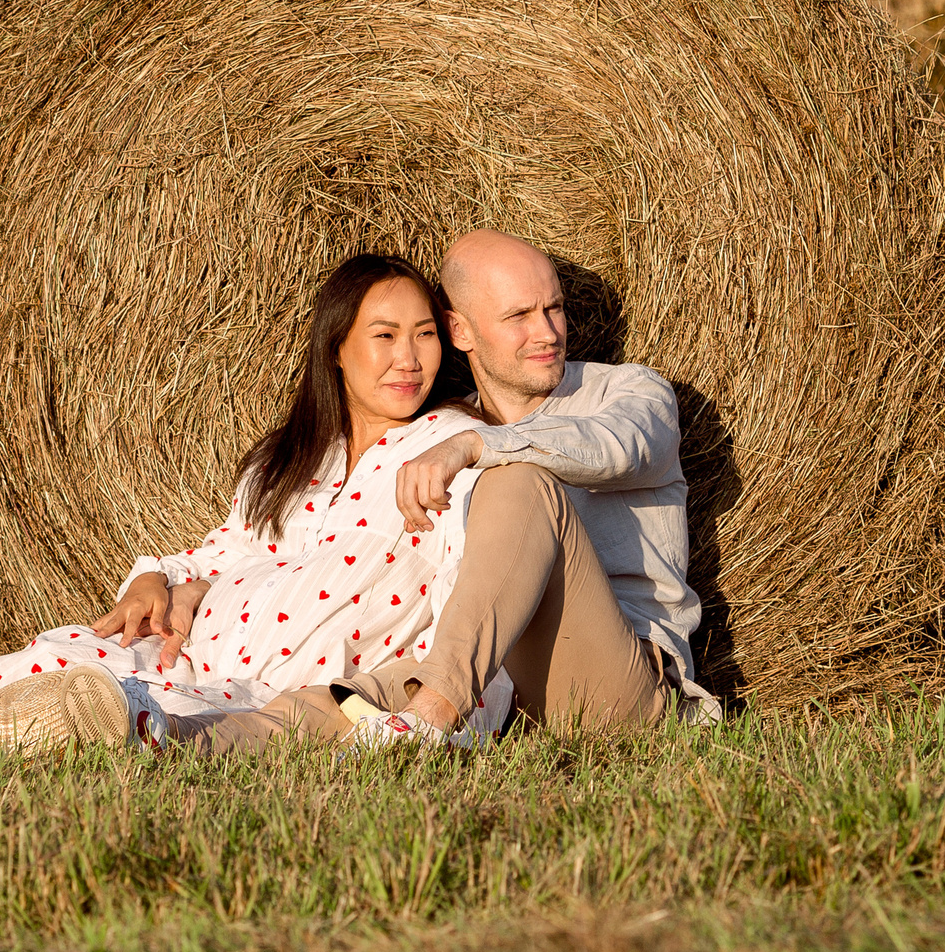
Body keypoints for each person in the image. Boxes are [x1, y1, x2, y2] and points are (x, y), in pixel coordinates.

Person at [0, 253, 519, 758]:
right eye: (385, 335)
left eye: (424, 333)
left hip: (273, 688)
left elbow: (478, 580)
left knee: (106, 714)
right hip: (187, 648)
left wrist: (441, 700)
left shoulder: (451, 446)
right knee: (53, 658)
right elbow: (223, 550)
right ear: (335, 348)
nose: (409, 357)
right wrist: (156, 575)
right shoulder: (297, 457)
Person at [206, 229, 714, 753]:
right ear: (460, 331)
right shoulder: (437, 431)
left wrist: (478, 446)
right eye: (519, 316)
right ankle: (160, 734)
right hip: (488, 672)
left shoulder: (628, 393)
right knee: (325, 706)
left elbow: (619, 447)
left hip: (617, 685)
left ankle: (428, 719)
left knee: (518, 483)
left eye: (554, 308)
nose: (547, 332)